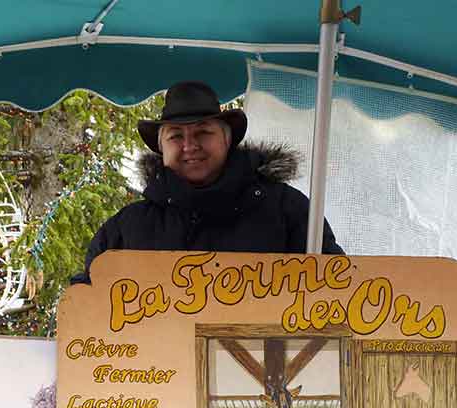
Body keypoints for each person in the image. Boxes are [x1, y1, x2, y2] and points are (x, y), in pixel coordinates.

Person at [73, 80, 343, 283]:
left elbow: (337, 285)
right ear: (161, 149)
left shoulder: (287, 210)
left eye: (203, 132)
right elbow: (86, 304)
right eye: (176, 136)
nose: (190, 146)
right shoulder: (127, 227)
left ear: (227, 140)